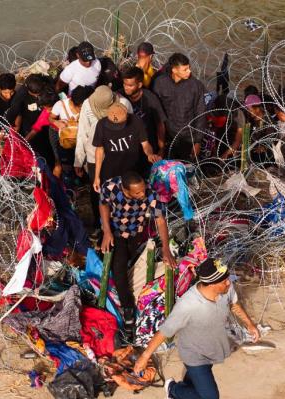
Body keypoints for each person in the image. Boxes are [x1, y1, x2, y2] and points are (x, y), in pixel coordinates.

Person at [133, 258, 259, 399]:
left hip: (212, 348)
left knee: (195, 386)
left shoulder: (225, 289)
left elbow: (233, 304)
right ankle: (173, 389)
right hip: (194, 354)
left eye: (227, 279)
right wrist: (144, 357)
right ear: (211, 284)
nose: (229, 283)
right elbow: (165, 330)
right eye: (224, 281)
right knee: (210, 397)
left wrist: (250, 324)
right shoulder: (188, 305)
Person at [99, 171, 176, 341]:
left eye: (143, 190)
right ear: (125, 190)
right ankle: (128, 314)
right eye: (138, 193)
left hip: (135, 234)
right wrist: (106, 231)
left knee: (131, 267)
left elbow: (160, 219)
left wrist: (165, 248)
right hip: (116, 233)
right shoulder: (110, 187)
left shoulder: (150, 192)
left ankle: (130, 298)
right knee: (118, 271)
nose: (143, 194)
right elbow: (103, 204)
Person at [74, 85, 132, 230]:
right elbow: (82, 133)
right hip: (94, 157)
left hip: (119, 156)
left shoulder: (124, 104)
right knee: (97, 192)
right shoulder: (87, 104)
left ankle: (120, 222)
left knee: (120, 190)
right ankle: (100, 225)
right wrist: (78, 160)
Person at [92, 102, 161, 190]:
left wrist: (149, 154)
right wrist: (96, 176)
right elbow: (99, 149)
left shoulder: (136, 121)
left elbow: (145, 143)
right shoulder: (101, 124)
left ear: (127, 116)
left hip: (133, 169)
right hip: (111, 171)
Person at [153, 53, 207, 161]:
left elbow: (200, 113)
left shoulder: (196, 86)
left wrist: (197, 142)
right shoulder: (160, 83)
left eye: (189, 68)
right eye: (185, 69)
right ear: (174, 70)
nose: (189, 71)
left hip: (188, 137)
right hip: (167, 137)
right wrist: (160, 143)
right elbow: (156, 112)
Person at [120, 66, 167, 158]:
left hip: (149, 144)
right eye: (124, 84)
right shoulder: (119, 96)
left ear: (140, 85)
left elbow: (160, 124)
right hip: (129, 147)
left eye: (130, 85)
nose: (126, 88)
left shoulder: (150, 98)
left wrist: (161, 148)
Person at [49, 86, 93, 178]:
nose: (82, 109)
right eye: (81, 107)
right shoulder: (60, 105)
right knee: (65, 166)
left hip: (82, 143)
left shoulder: (88, 107)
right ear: (72, 102)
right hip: (65, 144)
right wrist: (56, 122)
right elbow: (50, 118)